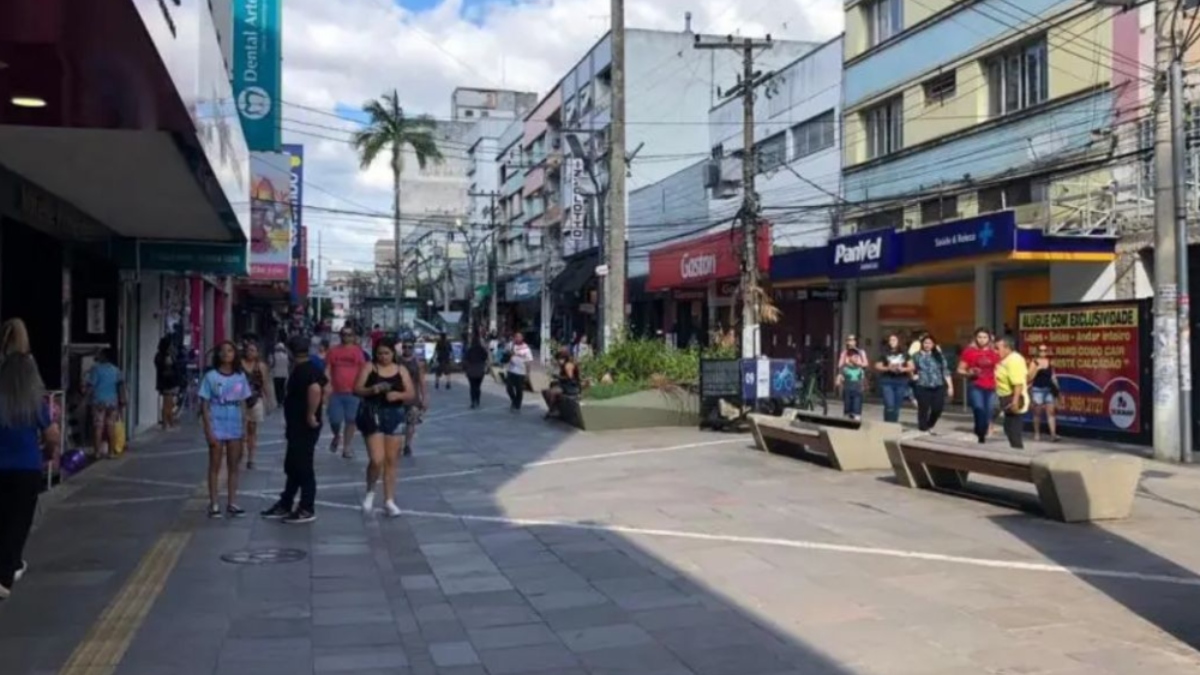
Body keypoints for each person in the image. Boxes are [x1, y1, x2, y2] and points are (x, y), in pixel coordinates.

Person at [0, 319, 61, 600]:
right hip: (26, 468)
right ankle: (6, 577)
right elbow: (51, 435)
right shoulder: (33, 397)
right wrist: (49, 455)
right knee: (18, 524)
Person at [261, 336, 328, 524]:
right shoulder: (306, 368)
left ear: (290, 352)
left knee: (303, 466)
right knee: (292, 466)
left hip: (304, 426)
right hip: (297, 425)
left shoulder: (306, 370)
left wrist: (311, 414)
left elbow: (315, 389)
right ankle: (286, 502)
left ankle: (307, 507)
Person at [355, 341, 416, 517]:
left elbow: (411, 393)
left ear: (393, 354)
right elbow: (357, 389)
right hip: (372, 414)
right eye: (380, 353)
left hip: (394, 415)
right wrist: (373, 389)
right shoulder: (369, 367)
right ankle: (370, 492)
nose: (383, 357)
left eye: (387, 353)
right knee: (376, 459)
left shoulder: (401, 370)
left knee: (391, 460)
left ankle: (389, 500)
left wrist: (398, 394)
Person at [199, 341, 252, 518]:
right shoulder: (211, 377)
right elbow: (204, 406)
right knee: (214, 465)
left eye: (230, 351)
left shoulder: (240, 377)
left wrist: (244, 428)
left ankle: (232, 502)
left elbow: (244, 403)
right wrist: (208, 430)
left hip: (234, 425)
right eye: (223, 351)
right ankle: (214, 504)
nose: (226, 354)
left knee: (233, 465)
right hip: (216, 424)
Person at [325, 326, 366, 459]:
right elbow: (327, 368)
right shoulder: (333, 351)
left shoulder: (358, 352)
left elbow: (363, 370)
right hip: (336, 392)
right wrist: (327, 384)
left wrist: (361, 387)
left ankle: (347, 447)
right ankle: (336, 436)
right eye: (344, 334)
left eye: (349, 335)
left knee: (351, 419)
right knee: (335, 420)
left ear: (354, 337)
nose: (346, 337)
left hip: (353, 392)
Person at [958, 328, 1000, 444]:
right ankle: (980, 433)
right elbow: (960, 369)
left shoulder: (995, 353)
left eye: (984, 337)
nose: (982, 340)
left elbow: (1000, 369)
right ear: (975, 338)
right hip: (976, 384)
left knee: (988, 411)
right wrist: (969, 372)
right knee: (978, 408)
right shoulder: (969, 352)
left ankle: (982, 431)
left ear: (989, 338)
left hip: (991, 386)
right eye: (979, 337)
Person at [84, 349, 125, 459]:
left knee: (98, 427)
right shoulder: (116, 370)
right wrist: (122, 401)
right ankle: (111, 452)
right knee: (110, 426)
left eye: (101, 355)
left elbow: (91, 386)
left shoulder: (96, 369)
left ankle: (97, 453)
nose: (99, 356)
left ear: (104, 356)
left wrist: (85, 399)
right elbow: (120, 386)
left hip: (99, 402)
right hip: (112, 402)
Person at [241, 340, 273, 470]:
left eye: (253, 350)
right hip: (240, 400)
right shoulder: (239, 365)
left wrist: (269, 400)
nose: (250, 353)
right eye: (248, 350)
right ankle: (240, 454)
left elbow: (265, 383)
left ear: (257, 353)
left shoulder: (261, 366)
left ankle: (251, 458)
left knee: (252, 430)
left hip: (255, 399)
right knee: (240, 429)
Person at [912, 334, 954, 433]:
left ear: (933, 344)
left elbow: (945, 371)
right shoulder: (916, 356)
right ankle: (923, 428)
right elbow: (910, 369)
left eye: (930, 343)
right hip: (922, 385)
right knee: (923, 409)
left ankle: (930, 424)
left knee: (937, 408)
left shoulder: (939, 356)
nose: (927, 345)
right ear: (922, 344)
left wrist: (950, 386)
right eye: (925, 343)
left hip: (938, 385)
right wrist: (913, 376)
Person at [994, 337, 1029, 449]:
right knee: (1008, 428)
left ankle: (1018, 455)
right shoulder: (1003, 359)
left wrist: (1015, 401)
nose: (995, 351)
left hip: (1012, 398)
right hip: (1003, 397)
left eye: (997, 348)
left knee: (1013, 430)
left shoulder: (1014, 360)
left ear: (1007, 348)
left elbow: (1018, 383)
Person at [873, 333, 912, 423]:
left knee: (896, 406)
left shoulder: (905, 353)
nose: (892, 342)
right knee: (889, 404)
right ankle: (888, 422)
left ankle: (893, 424)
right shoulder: (884, 352)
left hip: (901, 381)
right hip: (887, 381)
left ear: (898, 341)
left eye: (894, 340)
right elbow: (877, 365)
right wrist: (887, 368)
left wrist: (903, 369)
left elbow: (912, 366)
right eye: (890, 340)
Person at [397, 341, 427, 456]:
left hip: (413, 397)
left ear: (413, 348)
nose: (407, 349)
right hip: (398, 397)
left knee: (411, 422)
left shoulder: (417, 363)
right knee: (397, 422)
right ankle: (397, 444)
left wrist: (425, 398)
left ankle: (407, 445)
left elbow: (422, 382)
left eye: (410, 347)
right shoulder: (397, 361)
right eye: (405, 347)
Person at [1029, 344, 1060, 442]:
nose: (1043, 352)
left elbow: (1053, 376)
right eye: (1041, 350)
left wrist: (1058, 390)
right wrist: (1037, 370)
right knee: (1037, 413)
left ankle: (1053, 434)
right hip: (1038, 390)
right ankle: (1037, 434)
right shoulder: (1034, 362)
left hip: (1049, 389)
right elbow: (1029, 377)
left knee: (1051, 412)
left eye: (1045, 350)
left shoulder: (1050, 362)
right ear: (1038, 351)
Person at [835, 335, 868, 420]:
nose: (851, 341)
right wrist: (839, 377)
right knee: (847, 404)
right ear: (847, 342)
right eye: (849, 340)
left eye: (853, 339)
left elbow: (865, 365)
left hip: (858, 381)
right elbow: (840, 366)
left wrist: (857, 363)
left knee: (857, 404)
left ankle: (856, 418)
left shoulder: (861, 352)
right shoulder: (844, 353)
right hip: (847, 381)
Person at [543, 348, 581, 419]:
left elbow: (570, 379)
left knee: (552, 392)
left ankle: (553, 409)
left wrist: (559, 377)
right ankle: (553, 408)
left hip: (571, 386)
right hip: (565, 384)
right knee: (550, 387)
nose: (558, 361)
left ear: (563, 359)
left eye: (559, 359)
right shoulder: (563, 365)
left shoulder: (568, 365)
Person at [154, 337, 180, 430]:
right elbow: (168, 368)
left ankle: (169, 422)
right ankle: (167, 423)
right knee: (167, 404)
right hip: (167, 383)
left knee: (170, 403)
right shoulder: (165, 356)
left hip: (168, 383)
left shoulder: (163, 355)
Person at [504, 332, 534, 412]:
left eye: (519, 337)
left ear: (522, 338)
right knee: (508, 388)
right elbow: (506, 351)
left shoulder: (526, 348)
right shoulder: (511, 345)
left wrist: (528, 373)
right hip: (511, 370)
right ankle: (514, 400)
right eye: (516, 337)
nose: (517, 338)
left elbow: (528, 361)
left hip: (521, 372)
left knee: (519, 389)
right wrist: (509, 350)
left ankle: (517, 404)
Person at [463, 336, 489, 409]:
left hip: (471, 370)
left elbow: (466, 359)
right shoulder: (482, 349)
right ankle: (477, 400)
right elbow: (485, 357)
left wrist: (465, 369)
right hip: (480, 370)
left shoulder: (470, 350)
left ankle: (473, 401)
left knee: (472, 387)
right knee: (478, 386)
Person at [269, 339, 290, 406]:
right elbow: (288, 364)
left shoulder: (273, 355)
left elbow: (271, 364)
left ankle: (279, 401)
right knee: (282, 388)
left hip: (276, 374)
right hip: (284, 374)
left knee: (277, 388)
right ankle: (282, 400)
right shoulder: (286, 356)